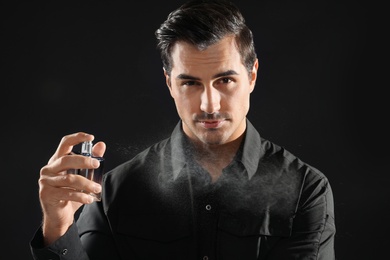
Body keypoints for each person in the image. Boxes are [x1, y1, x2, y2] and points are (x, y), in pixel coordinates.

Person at [30, 0, 336, 259]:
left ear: (252, 75)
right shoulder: (114, 194)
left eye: (225, 80)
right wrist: (57, 226)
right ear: (169, 83)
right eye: (190, 83)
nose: (209, 104)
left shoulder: (305, 191)